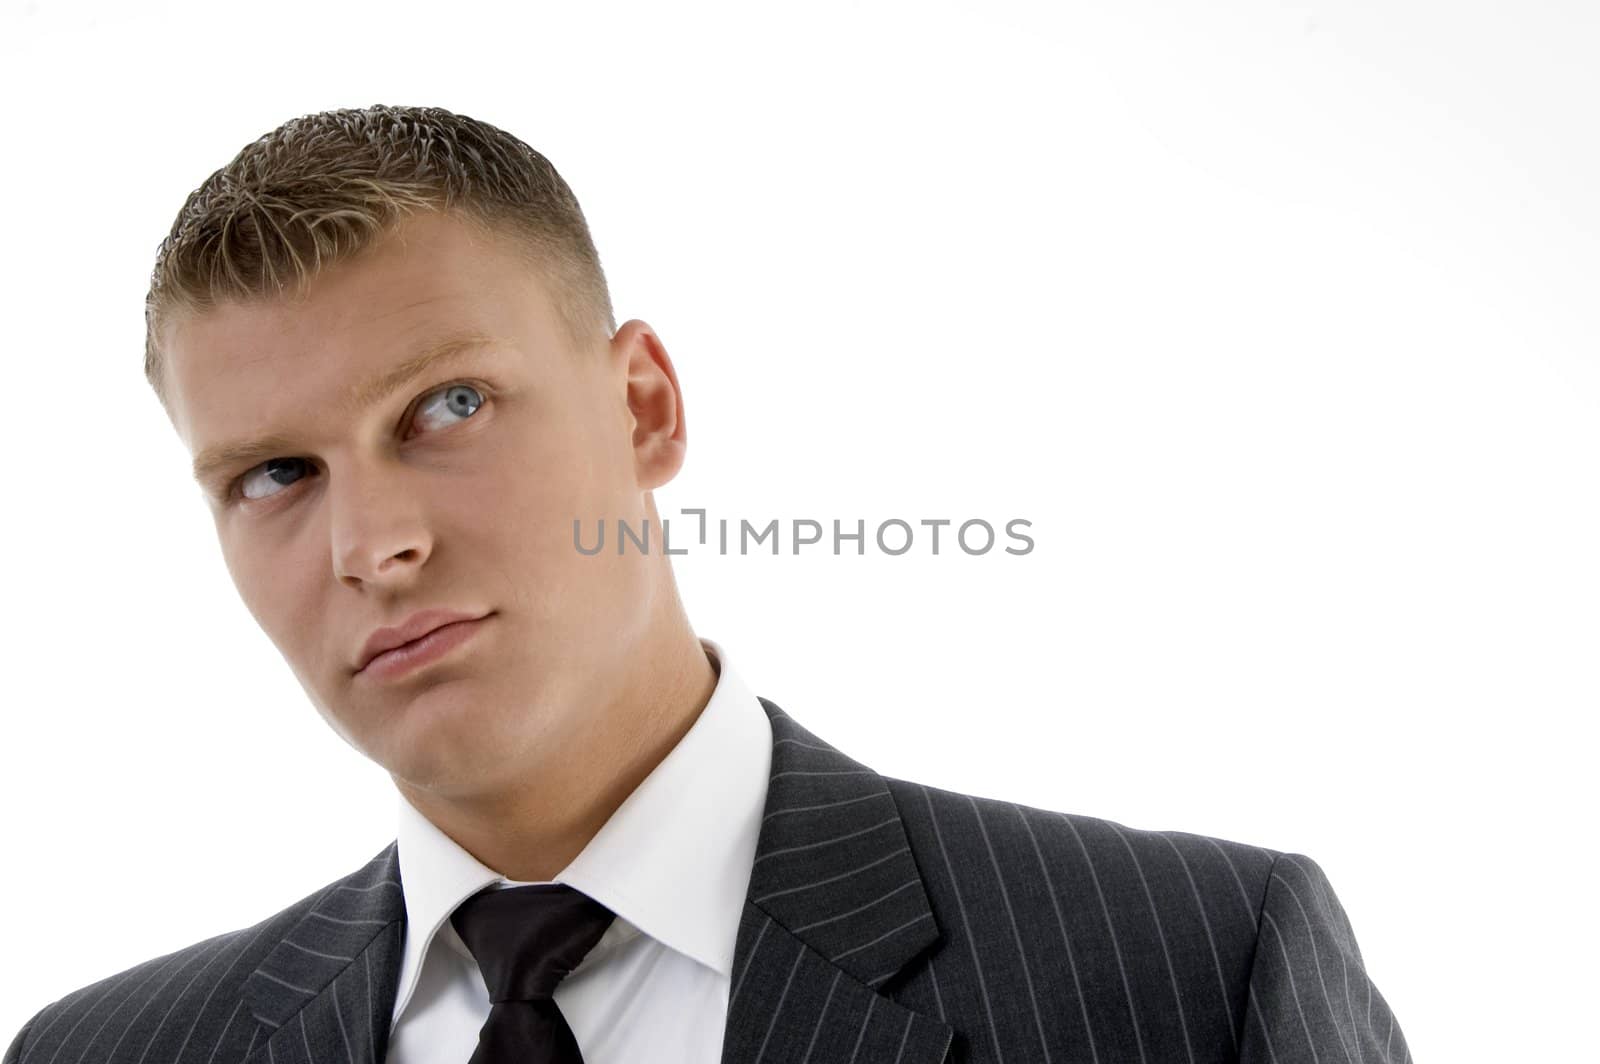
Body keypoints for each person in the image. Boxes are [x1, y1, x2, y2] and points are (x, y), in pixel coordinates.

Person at [4, 104, 1411, 1064]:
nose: (372, 546)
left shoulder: (1183, 977)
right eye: (273, 476)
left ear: (645, 406)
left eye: (445, 410)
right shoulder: (100, 1052)